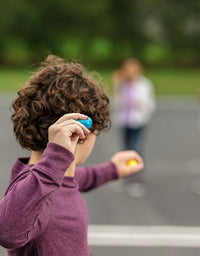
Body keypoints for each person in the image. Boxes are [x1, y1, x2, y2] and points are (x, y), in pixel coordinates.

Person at [0, 55, 144, 256]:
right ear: (79, 133)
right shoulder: (40, 188)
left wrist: (112, 169)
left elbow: (74, 179)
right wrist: (58, 155)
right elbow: (6, 231)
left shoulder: (47, 179)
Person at [113, 58, 156, 197]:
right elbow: (117, 103)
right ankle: (126, 177)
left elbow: (149, 105)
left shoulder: (144, 85)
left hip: (138, 121)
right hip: (124, 122)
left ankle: (136, 179)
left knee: (135, 149)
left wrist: (138, 103)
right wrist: (117, 86)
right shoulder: (123, 85)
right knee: (125, 149)